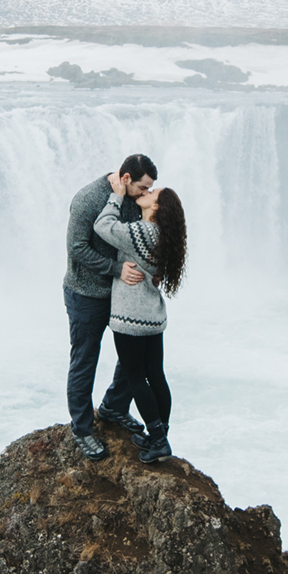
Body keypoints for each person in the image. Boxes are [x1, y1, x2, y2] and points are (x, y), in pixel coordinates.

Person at [91, 181, 187, 464]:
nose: (146, 193)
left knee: (135, 378)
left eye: (151, 193)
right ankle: (162, 434)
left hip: (130, 317)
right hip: (153, 316)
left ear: (156, 208)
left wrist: (116, 197)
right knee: (156, 374)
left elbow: (103, 226)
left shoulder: (139, 232)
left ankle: (157, 440)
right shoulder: (164, 236)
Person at [64, 154, 155, 457]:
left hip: (122, 294)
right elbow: (76, 248)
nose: (146, 194)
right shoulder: (88, 199)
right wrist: (116, 270)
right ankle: (81, 429)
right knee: (85, 361)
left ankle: (114, 406)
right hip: (86, 294)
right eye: (143, 188)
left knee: (134, 357)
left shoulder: (134, 199)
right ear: (126, 179)